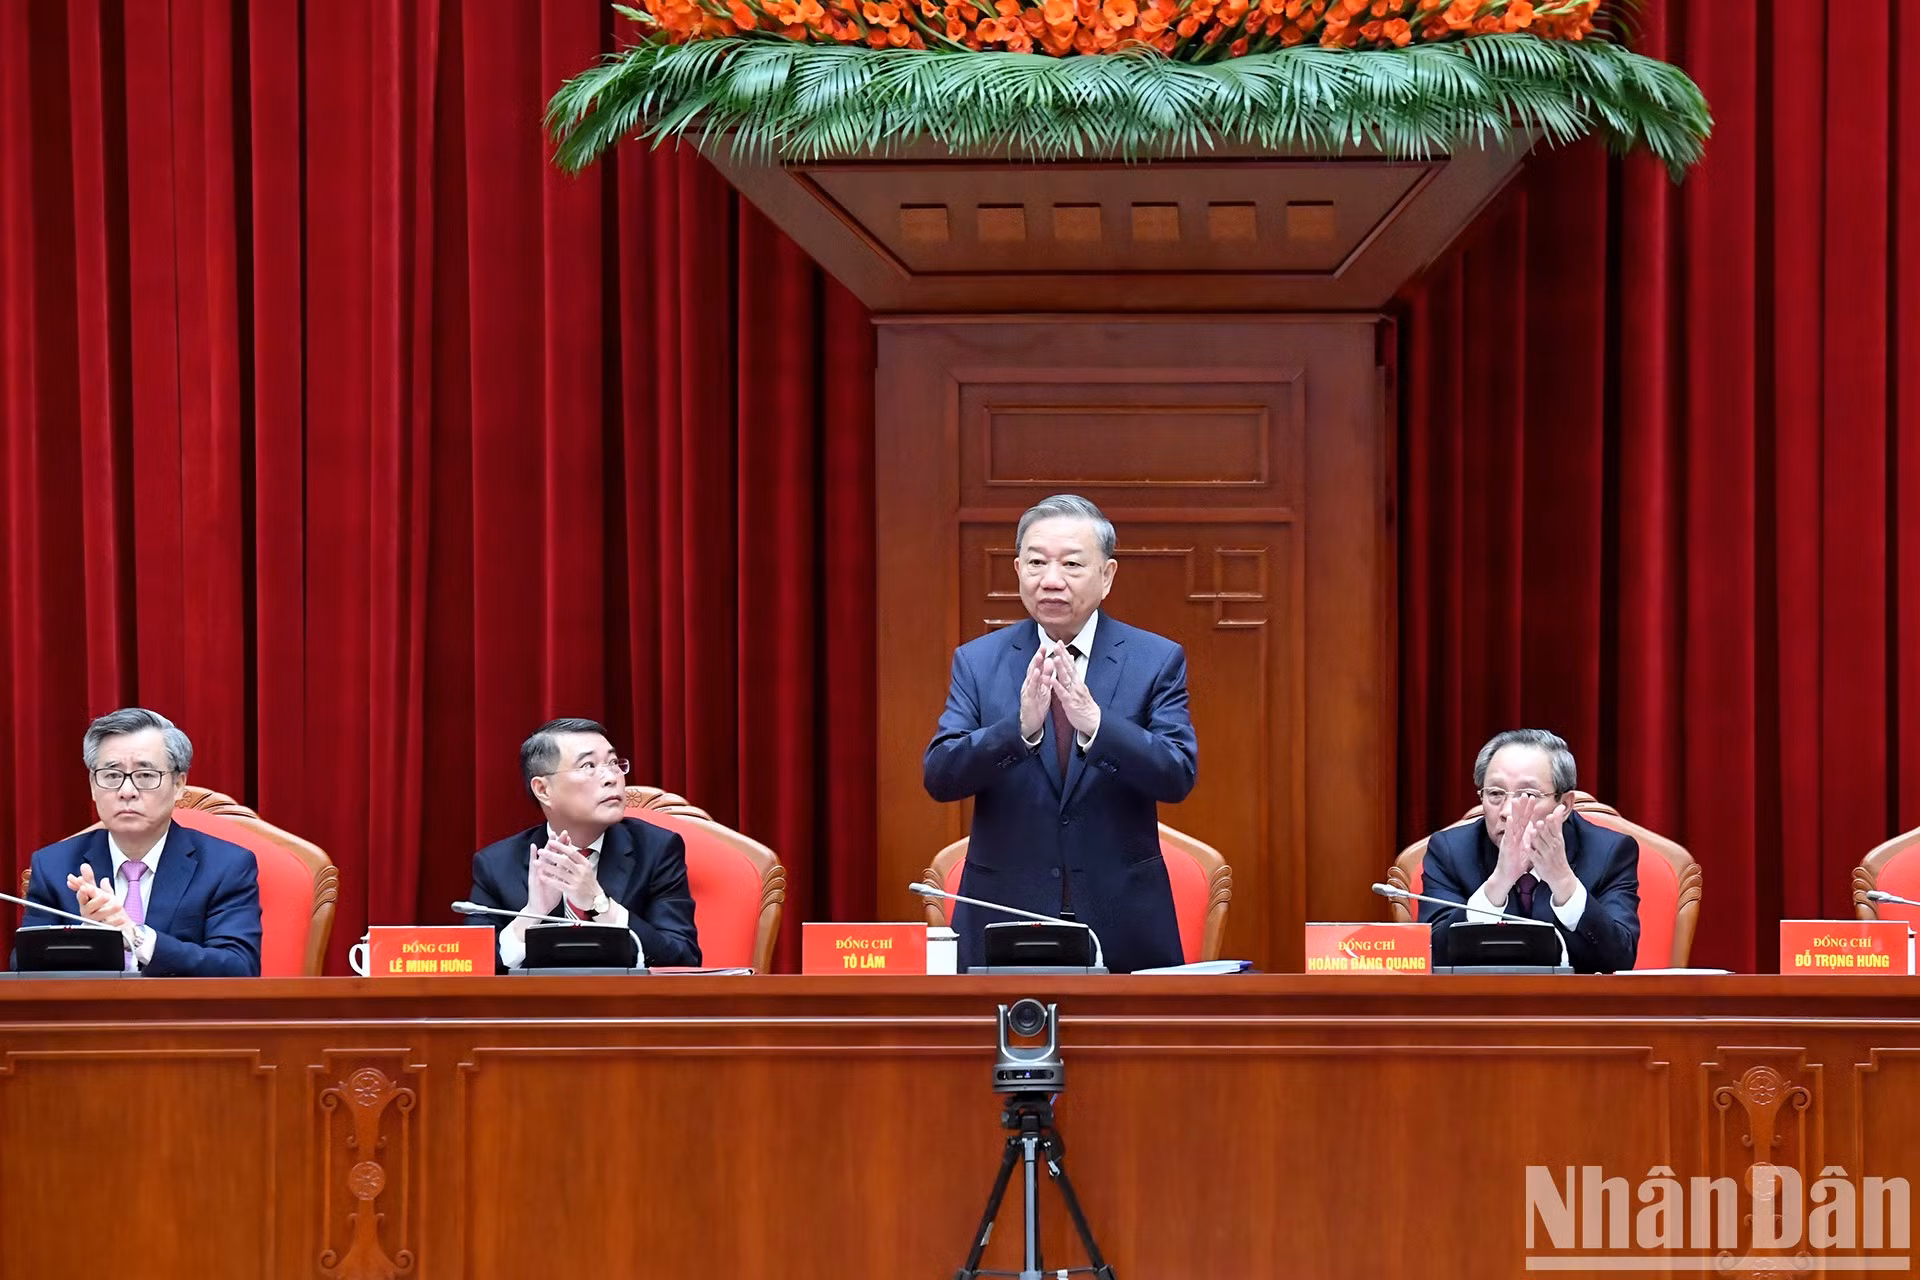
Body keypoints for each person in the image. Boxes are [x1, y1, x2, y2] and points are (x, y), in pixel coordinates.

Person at [924, 494, 1198, 973]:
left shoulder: (1155, 660)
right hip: (1004, 915)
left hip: (1122, 920)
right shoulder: (978, 660)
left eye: (1072, 564)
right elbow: (941, 776)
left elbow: (1176, 775)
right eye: (1036, 563)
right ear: (1017, 569)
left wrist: (1096, 724)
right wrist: (1019, 731)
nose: (1051, 580)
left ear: (1107, 575)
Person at [16, 707, 262, 976]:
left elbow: (239, 968)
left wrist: (136, 937)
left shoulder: (226, 866)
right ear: (92, 786)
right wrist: (84, 942)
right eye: (111, 775)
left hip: (182, 1017)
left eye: (145, 775)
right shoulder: (54, 866)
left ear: (179, 785)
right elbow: (23, 969)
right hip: (90, 1017)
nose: (127, 791)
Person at [468, 718, 700, 972]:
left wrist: (600, 904)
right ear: (543, 789)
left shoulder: (657, 850)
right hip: (533, 1010)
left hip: (627, 1007)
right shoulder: (496, 865)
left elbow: (683, 958)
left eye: (613, 763)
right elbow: (473, 968)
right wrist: (531, 914)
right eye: (588, 765)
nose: (612, 777)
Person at [1420, 728, 1639, 973]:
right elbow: (1429, 957)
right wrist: (1498, 884)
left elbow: (1620, 961)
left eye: (1527, 795)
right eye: (1495, 794)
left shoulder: (1609, 853)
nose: (1507, 812)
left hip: (1574, 1007)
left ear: (1565, 805)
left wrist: (1564, 882)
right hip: (1480, 1006)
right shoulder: (1450, 852)